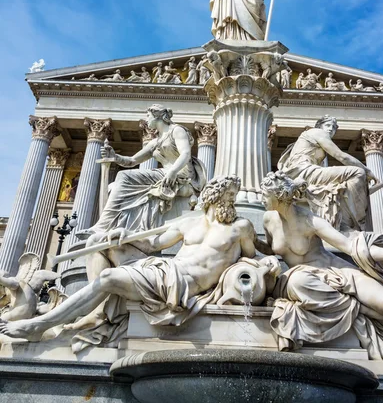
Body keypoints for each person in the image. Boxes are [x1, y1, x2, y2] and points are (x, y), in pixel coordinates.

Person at [0, 176, 266, 343]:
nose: (232, 201)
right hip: (164, 269)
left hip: (181, 284)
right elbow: (153, 244)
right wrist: (127, 235)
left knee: (107, 278)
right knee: (98, 242)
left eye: (233, 197)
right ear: (213, 197)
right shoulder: (189, 223)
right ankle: (97, 315)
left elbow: (250, 258)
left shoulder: (240, 227)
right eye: (229, 195)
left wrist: (266, 264)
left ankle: (40, 325)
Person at [261, 171, 383, 362]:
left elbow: (350, 246)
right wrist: (261, 254)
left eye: (265, 194)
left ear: (280, 196)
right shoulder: (268, 220)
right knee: (299, 282)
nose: (261, 199)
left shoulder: (311, 221)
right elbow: (269, 249)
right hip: (305, 276)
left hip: (336, 271)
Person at [82, 104, 206, 236]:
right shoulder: (155, 142)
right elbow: (132, 161)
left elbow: (186, 154)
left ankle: (103, 226)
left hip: (182, 176)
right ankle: (108, 226)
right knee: (118, 182)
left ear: (158, 116)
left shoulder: (177, 130)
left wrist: (173, 171)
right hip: (165, 175)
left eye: (148, 116)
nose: (146, 119)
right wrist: (114, 157)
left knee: (123, 176)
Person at [278, 115, 377, 233]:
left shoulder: (313, 136)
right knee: (357, 172)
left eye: (334, 127)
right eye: (328, 125)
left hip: (306, 172)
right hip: (304, 172)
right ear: (320, 126)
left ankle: (344, 221)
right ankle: (351, 223)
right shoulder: (317, 132)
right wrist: (367, 170)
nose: (331, 129)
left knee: (342, 183)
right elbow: (340, 156)